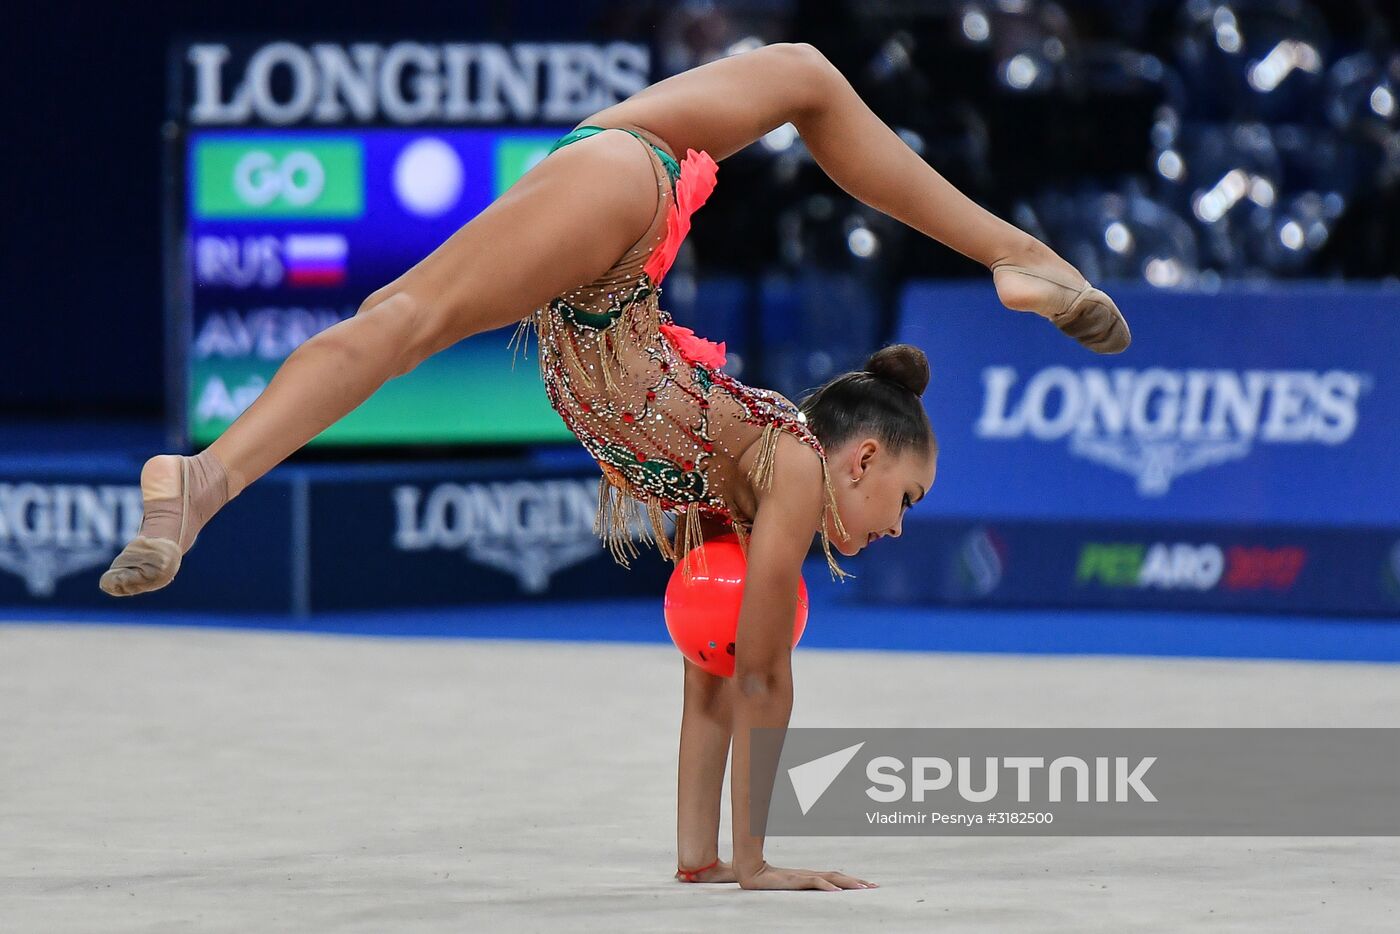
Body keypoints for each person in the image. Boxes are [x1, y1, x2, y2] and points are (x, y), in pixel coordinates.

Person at [100, 43, 1129, 890]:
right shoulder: (794, 466)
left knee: (805, 76)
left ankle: (1014, 254)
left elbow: (713, 677)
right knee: (405, 320)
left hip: (609, 227)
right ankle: (206, 478)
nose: (899, 523)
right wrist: (761, 863)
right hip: (622, 208)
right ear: (862, 453)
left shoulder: (726, 486)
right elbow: (767, 674)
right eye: (904, 495)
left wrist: (705, 860)